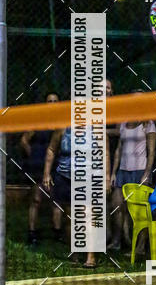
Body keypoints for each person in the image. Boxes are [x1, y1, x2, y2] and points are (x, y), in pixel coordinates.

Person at [42, 127, 105, 268]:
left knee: (89, 216)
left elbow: (104, 153)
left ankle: (91, 256)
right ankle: (75, 253)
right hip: (65, 177)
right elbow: (51, 149)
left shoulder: (96, 129)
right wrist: (46, 173)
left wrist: (106, 177)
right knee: (70, 217)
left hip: (89, 178)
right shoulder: (62, 129)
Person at [108, 111, 156, 252]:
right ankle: (117, 242)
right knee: (117, 206)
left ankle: (140, 247)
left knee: (140, 211)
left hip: (140, 171)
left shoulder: (148, 124)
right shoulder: (123, 122)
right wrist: (113, 172)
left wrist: (147, 174)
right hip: (122, 171)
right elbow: (118, 149)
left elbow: (151, 151)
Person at [20, 91, 59, 244]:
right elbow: (24, 140)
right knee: (36, 199)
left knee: (56, 199)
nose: (52, 104)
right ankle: (32, 233)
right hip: (38, 165)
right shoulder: (38, 121)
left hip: (56, 164)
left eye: (55, 101)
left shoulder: (62, 122)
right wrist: (34, 155)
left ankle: (57, 233)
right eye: (50, 101)